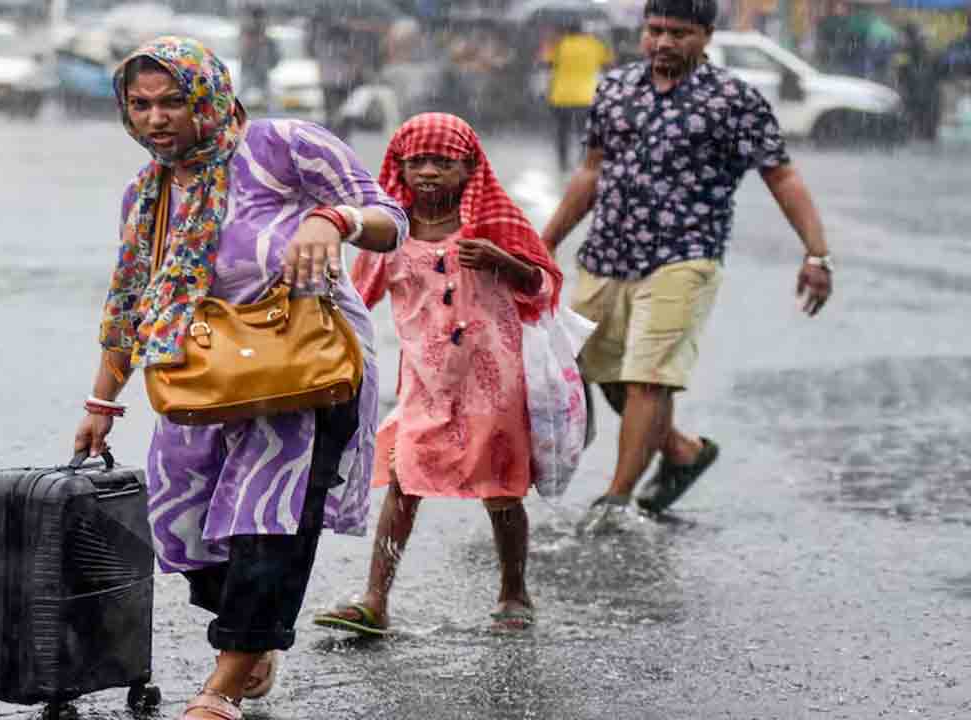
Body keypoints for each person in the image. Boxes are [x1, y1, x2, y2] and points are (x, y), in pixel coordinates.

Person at [72, 37, 407, 720]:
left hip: (302, 375)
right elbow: (133, 300)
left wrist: (331, 218)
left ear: (209, 94)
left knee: (269, 524)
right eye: (140, 105)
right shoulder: (149, 193)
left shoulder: (283, 146)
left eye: (173, 101)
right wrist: (102, 400)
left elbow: (389, 222)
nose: (156, 118)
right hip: (200, 381)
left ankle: (220, 689)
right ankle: (253, 643)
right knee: (184, 532)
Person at [537, 0, 834, 532]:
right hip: (608, 253)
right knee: (590, 369)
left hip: (685, 257)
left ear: (706, 36)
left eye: (679, 32)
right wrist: (547, 240)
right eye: (655, 30)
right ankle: (680, 450)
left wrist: (816, 252)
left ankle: (616, 502)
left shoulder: (734, 100)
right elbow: (591, 172)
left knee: (650, 378)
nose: (664, 43)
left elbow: (782, 177)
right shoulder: (615, 88)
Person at [311, 113, 565, 635]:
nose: (428, 173)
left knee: (501, 489)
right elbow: (357, 299)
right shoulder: (391, 235)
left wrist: (502, 262)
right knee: (404, 482)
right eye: (417, 162)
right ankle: (375, 599)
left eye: (442, 163)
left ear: (469, 169)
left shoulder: (492, 226)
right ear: (400, 167)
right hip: (425, 383)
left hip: (495, 383)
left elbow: (542, 288)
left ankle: (514, 592)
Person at [544, 19, 614, 174]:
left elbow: (548, 62)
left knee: (562, 132)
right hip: (586, 96)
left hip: (561, 96)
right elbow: (608, 61)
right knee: (585, 132)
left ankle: (563, 163)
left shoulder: (560, 44)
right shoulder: (593, 44)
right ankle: (583, 163)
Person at [895, 23, 943, 142]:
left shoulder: (905, 52)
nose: (900, 39)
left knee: (916, 132)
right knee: (927, 133)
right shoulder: (929, 52)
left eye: (902, 36)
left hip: (917, 96)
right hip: (929, 97)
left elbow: (901, 73)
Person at [237, 5, 278, 105]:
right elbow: (243, 53)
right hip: (250, 70)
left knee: (269, 100)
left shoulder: (266, 37)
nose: (261, 21)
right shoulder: (248, 34)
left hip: (262, 71)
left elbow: (274, 55)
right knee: (241, 97)